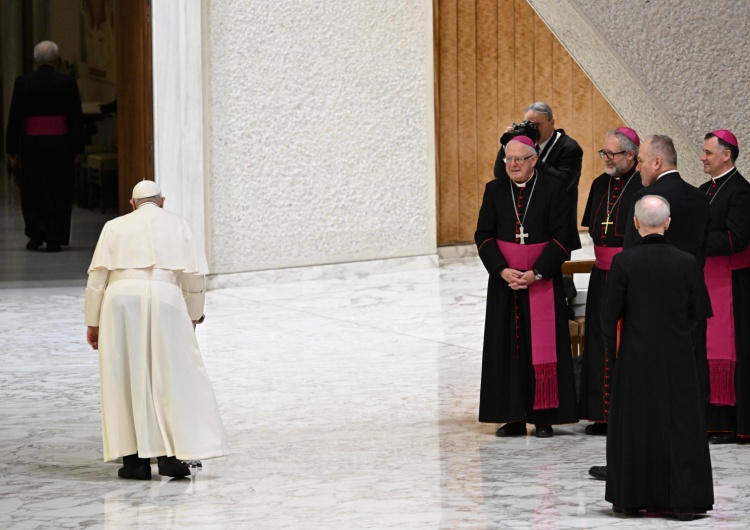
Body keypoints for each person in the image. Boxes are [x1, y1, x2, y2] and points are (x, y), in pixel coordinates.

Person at [85, 180, 229, 480]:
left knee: (123, 375)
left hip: (119, 301)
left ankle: (134, 461)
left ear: (132, 203)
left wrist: (93, 322)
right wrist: (193, 316)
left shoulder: (114, 226)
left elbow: (97, 279)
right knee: (169, 375)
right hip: (165, 297)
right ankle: (169, 456)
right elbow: (194, 279)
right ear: (162, 202)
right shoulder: (180, 224)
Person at [589, 134, 711, 482]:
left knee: (640, 397)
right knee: (684, 391)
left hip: (645, 317)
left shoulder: (645, 198)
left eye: (642, 160)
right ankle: (682, 466)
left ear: (657, 162)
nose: (639, 166)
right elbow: (699, 255)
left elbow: (631, 259)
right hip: (687, 310)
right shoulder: (699, 198)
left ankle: (632, 466)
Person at [602, 195, 714, 520]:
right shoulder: (687, 262)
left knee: (636, 429)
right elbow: (699, 315)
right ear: (667, 223)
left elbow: (608, 318)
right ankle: (683, 501)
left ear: (636, 224)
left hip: (635, 361)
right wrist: (684, 349)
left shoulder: (624, 263)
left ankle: (631, 499)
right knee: (680, 429)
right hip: (678, 360)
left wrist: (615, 358)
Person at [475, 136, 581, 438]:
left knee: (542, 347)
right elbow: (483, 235)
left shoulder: (554, 190)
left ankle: (544, 417)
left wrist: (536, 272)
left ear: (534, 160)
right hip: (505, 284)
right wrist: (501, 270)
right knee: (505, 347)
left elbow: (563, 239)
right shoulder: (494, 191)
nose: (513, 164)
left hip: (541, 281)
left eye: (520, 159)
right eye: (508, 159)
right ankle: (511, 417)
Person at [579, 128, 644, 436]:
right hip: (600, 275)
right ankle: (600, 414)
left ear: (631, 155)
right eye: (603, 152)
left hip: (630, 277)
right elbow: (594, 230)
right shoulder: (598, 184)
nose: (605, 158)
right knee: (597, 338)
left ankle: (628, 413)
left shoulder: (643, 187)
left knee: (626, 340)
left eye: (612, 154)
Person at [5, 40, 83, 252]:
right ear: (56, 60)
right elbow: (76, 118)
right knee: (59, 188)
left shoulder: (23, 82)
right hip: (60, 144)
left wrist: (11, 148)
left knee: (32, 189)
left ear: (34, 61)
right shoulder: (67, 82)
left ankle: (36, 234)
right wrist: (78, 149)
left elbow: (14, 118)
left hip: (32, 144)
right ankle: (55, 237)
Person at [698, 129, 750, 444]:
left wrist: (695, 240)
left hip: (733, 284)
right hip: (706, 280)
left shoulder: (741, 191)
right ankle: (711, 421)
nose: (702, 157)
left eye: (707, 152)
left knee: (732, 352)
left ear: (726, 155)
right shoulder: (706, 189)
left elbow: (737, 238)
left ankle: (732, 423)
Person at [493, 102, 583, 230]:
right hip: (526, 219)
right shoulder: (521, 147)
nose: (532, 129)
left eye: (536, 125)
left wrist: (533, 158)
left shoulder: (569, 148)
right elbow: (500, 175)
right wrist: (507, 146)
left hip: (556, 222)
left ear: (552, 123)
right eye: (528, 124)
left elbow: (563, 183)